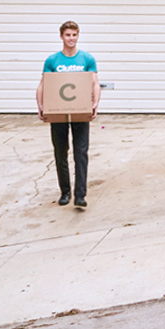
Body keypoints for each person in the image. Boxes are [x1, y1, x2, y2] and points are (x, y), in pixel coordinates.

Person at [35, 20, 100, 208]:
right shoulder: (52, 60)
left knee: (81, 153)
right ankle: (65, 192)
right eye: (68, 35)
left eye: (74, 35)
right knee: (60, 152)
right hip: (58, 112)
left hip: (80, 111)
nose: (71, 38)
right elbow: (43, 84)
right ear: (61, 36)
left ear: (78, 36)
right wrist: (40, 105)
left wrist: (95, 103)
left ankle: (80, 195)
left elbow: (95, 83)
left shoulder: (87, 59)